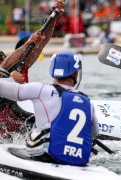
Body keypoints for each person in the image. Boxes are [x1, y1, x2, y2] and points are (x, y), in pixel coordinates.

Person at [0, 50, 99, 166]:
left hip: (45, 158)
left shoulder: (40, 90)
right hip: (78, 163)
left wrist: (12, 80)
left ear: (52, 73)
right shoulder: (88, 103)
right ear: (76, 74)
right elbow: (93, 133)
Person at [0, 0, 65, 138]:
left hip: (22, 133)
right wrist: (11, 80)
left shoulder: (20, 67)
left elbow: (43, 42)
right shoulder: (6, 69)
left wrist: (53, 17)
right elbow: (3, 67)